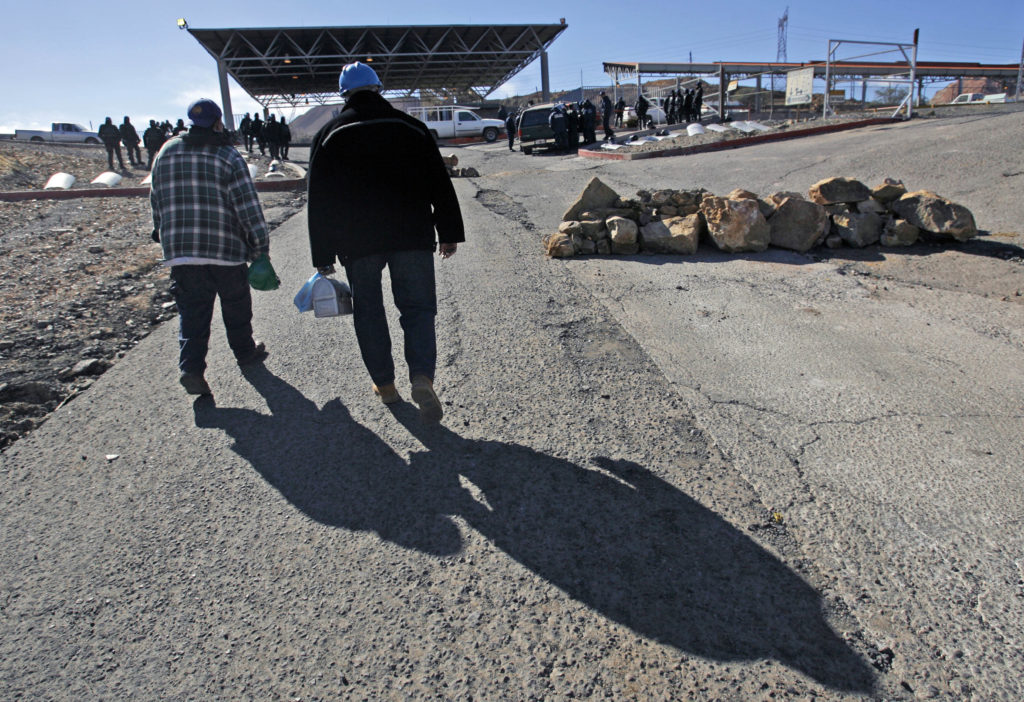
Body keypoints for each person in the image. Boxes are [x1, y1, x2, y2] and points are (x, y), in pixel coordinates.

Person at [307, 61, 464, 423]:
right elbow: (438, 182)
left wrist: (323, 254)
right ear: (379, 89)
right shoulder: (411, 128)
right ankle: (422, 374)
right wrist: (449, 232)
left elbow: (319, 198)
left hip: (358, 242)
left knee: (369, 311)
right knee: (418, 308)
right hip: (412, 234)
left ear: (344, 94)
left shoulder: (330, 134)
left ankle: (386, 385)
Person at [149, 98, 271, 396]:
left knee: (192, 312)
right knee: (236, 305)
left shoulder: (166, 151)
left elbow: (156, 197)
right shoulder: (227, 155)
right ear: (218, 123)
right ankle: (244, 352)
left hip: (181, 251)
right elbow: (247, 207)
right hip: (225, 250)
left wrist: (161, 233)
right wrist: (259, 247)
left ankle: (191, 369)